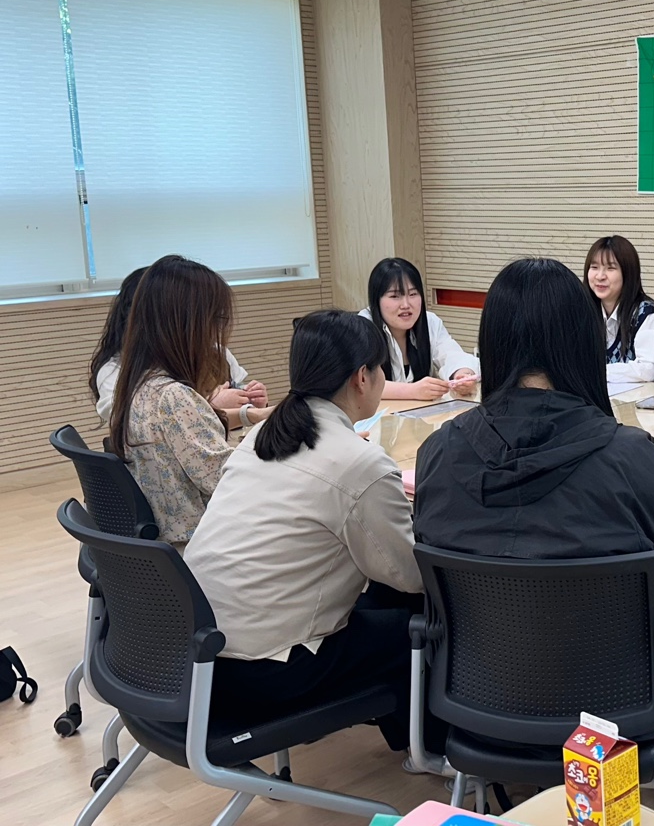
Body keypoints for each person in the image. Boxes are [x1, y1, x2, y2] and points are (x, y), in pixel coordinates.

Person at [412, 258, 654, 726]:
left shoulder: (439, 452)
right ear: (582, 342)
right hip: (617, 709)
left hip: (474, 700)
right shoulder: (627, 457)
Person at [185, 310, 422, 752]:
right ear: (362, 377)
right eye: (380, 368)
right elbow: (409, 575)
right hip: (266, 670)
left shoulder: (263, 435)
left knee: (376, 601)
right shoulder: (358, 462)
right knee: (423, 625)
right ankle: (428, 752)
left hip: (201, 656)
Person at [108, 256, 273, 547]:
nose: (217, 335)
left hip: (175, 545)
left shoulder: (140, 384)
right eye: (216, 320)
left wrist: (251, 417)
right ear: (189, 326)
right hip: (203, 547)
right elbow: (230, 483)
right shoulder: (172, 397)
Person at [90, 265, 266, 425]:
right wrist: (208, 405)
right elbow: (135, 425)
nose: (213, 328)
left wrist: (251, 401)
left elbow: (238, 398)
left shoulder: (216, 354)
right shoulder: (117, 371)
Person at [359, 257, 477, 401]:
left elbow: (451, 354)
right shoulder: (363, 327)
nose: (406, 305)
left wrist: (462, 375)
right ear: (376, 300)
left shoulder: (430, 321)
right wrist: (412, 391)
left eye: (413, 294)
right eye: (395, 296)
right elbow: (361, 384)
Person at [585, 235, 654, 384]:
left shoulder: (646, 314)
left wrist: (595, 372)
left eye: (610, 268)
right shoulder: (585, 310)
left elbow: (649, 370)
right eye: (594, 267)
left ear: (628, 273)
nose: (600, 276)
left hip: (644, 397)